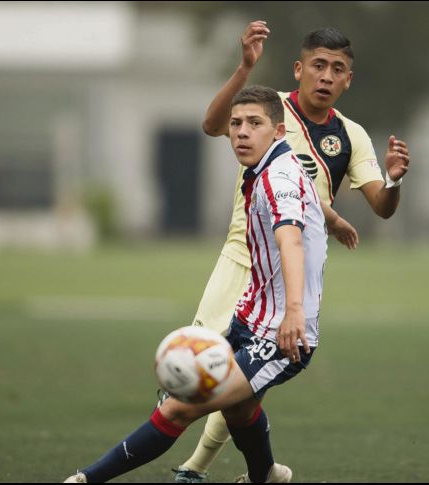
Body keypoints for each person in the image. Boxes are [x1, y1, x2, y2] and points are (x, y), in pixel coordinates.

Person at [174, 22, 411, 483]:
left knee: (244, 380)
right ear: (299, 69)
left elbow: (382, 206)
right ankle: (265, 472)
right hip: (240, 257)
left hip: (289, 271)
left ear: (348, 80)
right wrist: (245, 68)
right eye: (318, 65)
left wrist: (395, 179)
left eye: (337, 69)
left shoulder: (351, 136)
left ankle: (194, 470)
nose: (326, 76)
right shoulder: (268, 109)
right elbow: (211, 125)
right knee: (197, 363)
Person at [64, 85, 327, 484]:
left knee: (180, 407)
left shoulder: (278, 177)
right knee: (238, 409)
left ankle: (86, 479)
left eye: (254, 123)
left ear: (278, 131)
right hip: (250, 317)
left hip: (280, 333)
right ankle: (266, 476)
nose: (241, 132)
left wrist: (293, 312)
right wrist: (333, 220)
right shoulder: (269, 168)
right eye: (236, 123)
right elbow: (306, 207)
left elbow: (290, 239)